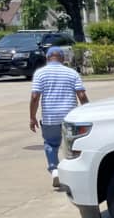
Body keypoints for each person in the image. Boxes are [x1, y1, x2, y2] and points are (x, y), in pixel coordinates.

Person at [29, 46, 88, 187]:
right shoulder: (71, 73)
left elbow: (35, 96)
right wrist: (88, 111)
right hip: (71, 117)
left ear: (47, 58)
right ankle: (76, 174)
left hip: (50, 117)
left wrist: (32, 117)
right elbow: (81, 95)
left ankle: (54, 169)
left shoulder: (40, 73)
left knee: (50, 143)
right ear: (62, 58)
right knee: (74, 145)